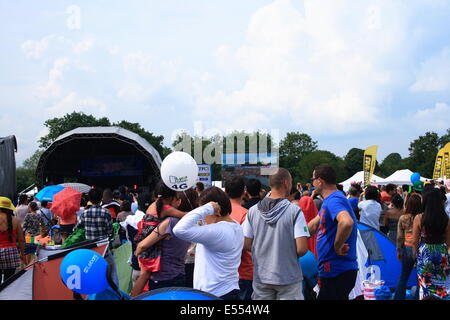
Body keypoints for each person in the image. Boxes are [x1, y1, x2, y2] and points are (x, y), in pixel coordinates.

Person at [243, 168, 309, 300]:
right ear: (286, 183)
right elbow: (302, 249)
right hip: (288, 277)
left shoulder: (252, 211)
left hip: (262, 276)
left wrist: (264, 250)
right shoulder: (295, 211)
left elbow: (246, 243)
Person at [173, 187, 244, 300]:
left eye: (205, 212)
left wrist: (206, 208)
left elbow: (179, 230)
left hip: (215, 294)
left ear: (215, 211)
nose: (204, 218)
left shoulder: (218, 231)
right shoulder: (235, 225)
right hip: (228, 290)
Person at [307, 164, 358, 300]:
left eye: (312, 179)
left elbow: (346, 222)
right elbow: (314, 225)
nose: (312, 182)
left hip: (337, 271)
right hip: (336, 271)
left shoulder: (334, 200)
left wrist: (337, 246)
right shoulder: (329, 201)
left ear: (320, 181)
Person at [130, 183, 185, 297]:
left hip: (144, 238)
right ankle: (133, 297)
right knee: (145, 275)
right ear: (171, 198)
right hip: (150, 245)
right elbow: (185, 215)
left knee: (145, 274)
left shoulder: (153, 205)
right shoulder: (167, 209)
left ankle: (133, 296)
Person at [412, 188, 450, 300]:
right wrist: (441, 250)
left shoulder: (419, 218)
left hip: (425, 252)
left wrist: (415, 255)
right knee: (443, 283)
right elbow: (448, 241)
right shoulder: (446, 219)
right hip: (442, 252)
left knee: (425, 285)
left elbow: (415, 240)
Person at [225, 177, 254, 301]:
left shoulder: (219, 214)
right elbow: (250, 244)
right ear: (244, 192)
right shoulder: (246, 214)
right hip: (245, 270)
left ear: (225, 191)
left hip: (225, 272)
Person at [394, 194, 422, 300]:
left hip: (407, 247)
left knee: (403, 277)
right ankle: (417, 297)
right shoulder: (421, 217)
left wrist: (398, 250)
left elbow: (400, 237)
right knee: (420, 278)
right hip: (419, 248)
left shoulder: (403, 218)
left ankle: (398, 297)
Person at [0, 197, 25, 283]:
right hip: (12, 252)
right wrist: (22, 253)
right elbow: (21, 239)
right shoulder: (16, 220)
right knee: (9, 282)